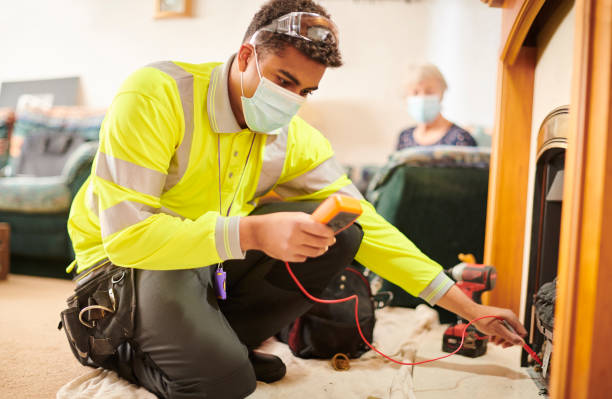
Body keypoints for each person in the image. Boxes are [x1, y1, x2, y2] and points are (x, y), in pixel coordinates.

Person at [63, 1, 526, 398]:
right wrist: (253, 231)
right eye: (283, 81)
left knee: (345, 231)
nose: (291, 101)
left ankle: (216, 343)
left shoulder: (291, 137)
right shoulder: (157, 93)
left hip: (206, 260)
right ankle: (119, 345)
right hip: (128, 265)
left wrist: (468, 308)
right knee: (226, 384)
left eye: (305, 90)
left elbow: (371, 226)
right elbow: (127, 237)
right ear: (246, 56)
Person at [397, 63, 477, 150]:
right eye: (415, 93)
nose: (422, 97)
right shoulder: (404, 137)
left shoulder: (460, 138)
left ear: (441, 94)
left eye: (429, 92)